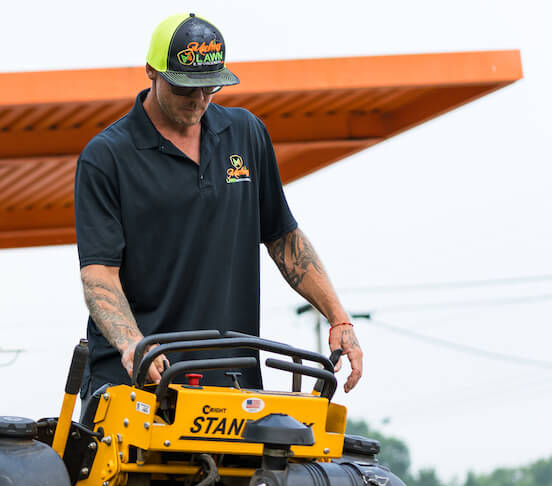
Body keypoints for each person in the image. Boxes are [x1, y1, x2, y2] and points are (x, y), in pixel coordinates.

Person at [76, 12, 363, 393]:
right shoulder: (107, 156)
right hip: (135, 381)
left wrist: (339, 318)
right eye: (184, 88)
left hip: (230, 381)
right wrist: (132, 344)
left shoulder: (245, 133)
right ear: (151, 71)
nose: (199, 100)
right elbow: (99, 276)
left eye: (210, 87)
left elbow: (283, 237)